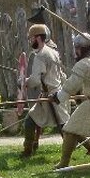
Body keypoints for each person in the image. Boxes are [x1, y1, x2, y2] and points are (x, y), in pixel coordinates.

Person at [53, 32, 90, 169]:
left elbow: (70, 87)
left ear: (80, 48)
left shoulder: (83, 64)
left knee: (69, 129)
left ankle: (63, 163)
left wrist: (57, 97)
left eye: (76, 49)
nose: (76, 52)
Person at [20, 23, 69, 157]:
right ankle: (29, 148)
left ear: (38, 38)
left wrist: (24, 82)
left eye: (31, 38)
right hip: (55, 93)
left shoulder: (40, 55)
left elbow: (36, 79)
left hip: (51, 96)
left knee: (64, 126)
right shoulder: (52, 52)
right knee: (64, 125)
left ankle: (27, 151)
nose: (30, 41)